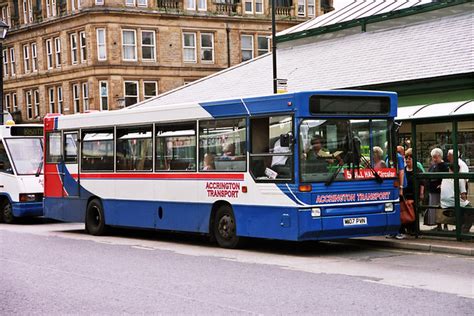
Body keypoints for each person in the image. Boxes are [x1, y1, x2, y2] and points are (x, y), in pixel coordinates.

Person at [440, 164, 472, 233]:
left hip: (443, 203)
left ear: (449, 169)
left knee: (462, 210)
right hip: (453, 202)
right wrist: (467, 202)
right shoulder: (459, 178)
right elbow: (463, 195)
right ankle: (464, 230)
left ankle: (459, 228)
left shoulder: (444, 177)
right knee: (470, 209)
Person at [400, 148, 425, 236]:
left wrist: (421, 193)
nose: (407, 160)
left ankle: (414, 229)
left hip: (415, 194)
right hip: (405, 194)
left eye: (409, 159)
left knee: (414, 211)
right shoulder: (404, 170)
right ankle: (405, 228)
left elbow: (422, 183)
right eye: (406, 159)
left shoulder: (417, 170)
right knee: (405, 211)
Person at [425, 148, 449, 230]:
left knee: (442, 208)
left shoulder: (444, 166)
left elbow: (447, 178)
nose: (434, 159)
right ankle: (438, 225)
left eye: (435, 157)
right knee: (435, 208)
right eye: (433, 157)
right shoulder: (433, 165)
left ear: (439, 156)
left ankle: (445, 225)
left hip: (441, 191)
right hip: (433, 190)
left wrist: (442, 184)